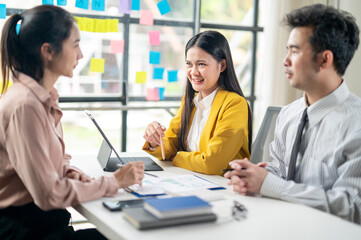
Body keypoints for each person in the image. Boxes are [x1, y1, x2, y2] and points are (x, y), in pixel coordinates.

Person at [0, 5, 144, 239]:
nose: (81, 55)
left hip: (41, 222)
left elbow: (47, 165)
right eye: (75, 45)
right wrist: (113, 182)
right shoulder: (25, 105)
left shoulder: (44, 97)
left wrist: (76, 175)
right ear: (48, 51)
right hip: (26, 230)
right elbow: (48, 194)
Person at [225, 4, 361, 224]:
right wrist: (254, 176)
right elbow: (280, 172)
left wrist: (270, 184)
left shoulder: (356, 124)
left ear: (324, 60)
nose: (285, 60)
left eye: (295, 51)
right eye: (287, 49)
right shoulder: (289, 113)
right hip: (280, 225)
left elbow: (353, 207)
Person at [142, 31, 252, 175]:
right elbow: (171, 145)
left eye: (201, 64)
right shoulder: (190, 100)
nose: (193, 72)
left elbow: (211, 163)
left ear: (222, 65)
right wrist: (155, 141)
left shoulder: (235, 104)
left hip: (224, 185)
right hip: (191, 179)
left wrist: (177, 156)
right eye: (189, 64)